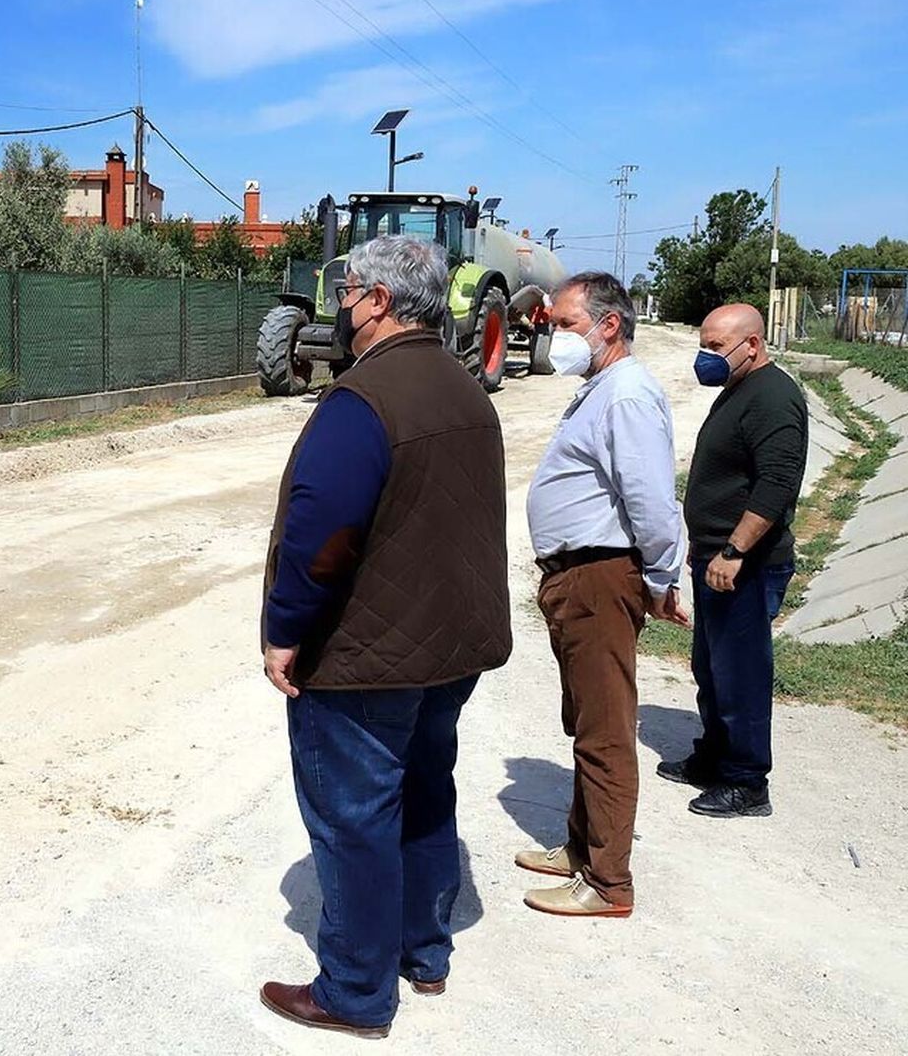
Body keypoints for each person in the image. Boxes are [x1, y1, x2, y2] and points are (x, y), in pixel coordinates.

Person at [257, 236, 512, 1039]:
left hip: (368, 658)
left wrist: (286, 630)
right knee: (427, 793)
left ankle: (355, 993)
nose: (342, 304)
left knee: (355, 818)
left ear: (374, 301)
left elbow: (322, 535)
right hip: (450, 647)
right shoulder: (468, 390)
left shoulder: (363, 401)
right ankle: (423, 953)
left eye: (350, 291)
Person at [521, 271, 689, 917]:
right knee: (586, 720)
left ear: (608, 323)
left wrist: (660, 577)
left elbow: (648, 498)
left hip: (599, 575)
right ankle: (581, 846)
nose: (557, 336)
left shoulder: (626, 394)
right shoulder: (602, 388)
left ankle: (607, 883)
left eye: (565, 324)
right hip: (578, 575)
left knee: (605, 731)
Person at [661, 303, 807, 817]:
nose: (706, 357)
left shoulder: (774, 398)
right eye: (703, 345)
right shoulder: (739, 389)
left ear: (753, 345)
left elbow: (776, 485)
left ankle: (747, 782)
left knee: (741, 672)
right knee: (711, 666)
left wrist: (734, 549)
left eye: (717, 347)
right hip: (715, 560)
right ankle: (715, 756)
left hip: (743, 564)